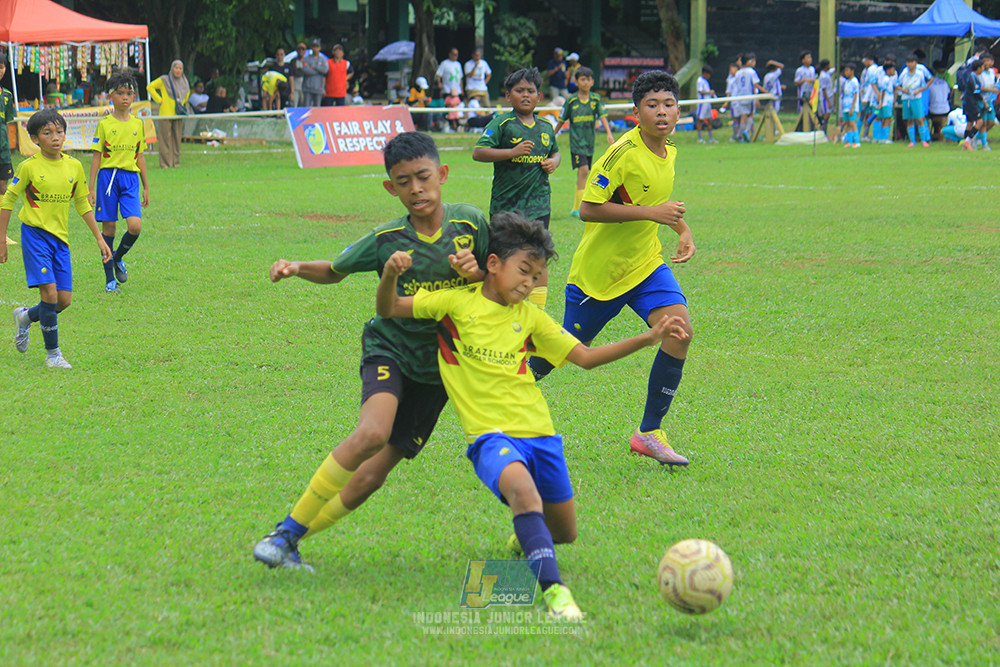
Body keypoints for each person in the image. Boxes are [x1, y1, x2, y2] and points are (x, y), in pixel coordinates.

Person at [376, 211, 689, 619]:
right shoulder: (454, 304)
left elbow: (586, 358)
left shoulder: (531, 318)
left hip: (541, 435)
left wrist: (648, 337)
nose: (529, 283)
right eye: (524, 271)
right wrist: (388, 275)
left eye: (537, 276)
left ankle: (524, 537)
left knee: (565, 531)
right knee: (522, 491)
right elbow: (390, 308)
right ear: (493, 263)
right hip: (490, 437)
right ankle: (555, 593)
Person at [252, 132, 489, 572]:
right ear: (390, 188)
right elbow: (336, 270)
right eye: (403, 182)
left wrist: (477, 275)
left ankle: (288, 539)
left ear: (442, 174)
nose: (416, 188)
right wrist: (297, 267)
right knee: (372, 433)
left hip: (441, 369)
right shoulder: (386, 240)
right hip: (390, 349)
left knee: (370, 477)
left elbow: (502, 282)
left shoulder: (472, 224)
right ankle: (285, 531)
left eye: (423, 177)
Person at [527, 70, 695, 467]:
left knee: (680, 331)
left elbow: (653, 200)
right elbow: (588, 208)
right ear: (636, 112)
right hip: (599, 277)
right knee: (560, 353)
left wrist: (681, 227)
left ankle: (649, 433)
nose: (662, 112)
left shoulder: (670, 150)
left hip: (646, 264)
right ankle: (498, 388)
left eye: (669, 104)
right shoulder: (621, 153)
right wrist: (654, 213)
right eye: (652, 105)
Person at [0, 109, 113, 369]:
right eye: (47, 133)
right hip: (35, 235)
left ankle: (26, 317)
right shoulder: (28, 167)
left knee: (63, 300)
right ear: (35, 139)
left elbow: (82, 203)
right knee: (49, 293)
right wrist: (2, 239)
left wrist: (99, 238)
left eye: (60, 131)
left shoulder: (74, 166)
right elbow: (8, 201)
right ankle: (53, 355)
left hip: (60, 239)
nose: (55, 137)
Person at [472, 67, 559, 307]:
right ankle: (498, 304)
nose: (525, 95)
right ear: (508, 95)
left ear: (539, 96)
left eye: (531, 91)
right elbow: (478, 152)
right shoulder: (502, 123)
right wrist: (511, 152)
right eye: (519, 90)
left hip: (539, 203)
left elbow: (556, 152)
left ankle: (538, 314)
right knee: (505, 256)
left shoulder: (546, 127)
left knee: (538, 255)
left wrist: (554, 162)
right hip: (506, 206)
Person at [88, 70, 149, 293]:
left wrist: (146, 186)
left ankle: (117, 257)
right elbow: (96, 156)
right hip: (108, 179)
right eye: (120, 93)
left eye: (129, 93)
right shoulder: (105, 124)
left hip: (130, 178)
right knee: (110, 228)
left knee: (135, 226)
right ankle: (109, 280)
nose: (125, 97)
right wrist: (91, 187)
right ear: (111, 96)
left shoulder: (138, 124)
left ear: (134, 97)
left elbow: (140, 156)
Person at [559, 66, 613, 217]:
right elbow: (562, 119)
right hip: (576, 142)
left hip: (589, 142)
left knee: (584, 172)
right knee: (583, 171)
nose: (585, 82)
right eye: (582, 79)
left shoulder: (595, 99)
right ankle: (580, 208)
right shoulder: (571, 100)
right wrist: (553, 134)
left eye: (588, 79)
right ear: (576, 82)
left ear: (592, 82)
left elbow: (602, 116)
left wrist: (609, 132)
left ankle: (575, 207)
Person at [146, 60, 190, 168]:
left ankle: (176, 162)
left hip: (178, 114)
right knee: (165, 138)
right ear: (172, 68)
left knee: (177, 138)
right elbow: (150, 87)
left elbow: (187, 93)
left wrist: (182, 103)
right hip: (165, 113)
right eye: (176, 68)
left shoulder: (184, 81)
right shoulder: (164, 80)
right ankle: (165, 163)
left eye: (180, 68)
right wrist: (159, 100)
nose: (178, 70)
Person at [895, 54, 932, 147]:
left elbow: (924, 85)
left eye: (911, 62)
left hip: (916, 98)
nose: (909, 64)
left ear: (915, 63)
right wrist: (904, 91)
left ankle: (924, 140)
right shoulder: (904, 73)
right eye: (908, 62)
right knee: (909, 119)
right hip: (906, 98)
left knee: (919, 119)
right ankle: (912, 141)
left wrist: (918, 90)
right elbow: (897, 85)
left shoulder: (919, 73)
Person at [732, 53, 763, 142]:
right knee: (750, 115)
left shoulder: (738, 72)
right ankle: (745, 131)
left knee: (743, 116)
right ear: (749, 62)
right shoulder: (751, 71)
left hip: (740, 97)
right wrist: (758, 96)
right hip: (749, 97)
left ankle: (741, 136)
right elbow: (755, 85)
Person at [960, 59, 986, 151]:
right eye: (983, 67)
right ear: (978, 68)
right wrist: (984, 102)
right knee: (980, 122)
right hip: (971, 103)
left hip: (967, 102)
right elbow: (976, 92)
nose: (983, 69)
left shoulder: (970, 75)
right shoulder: (973, 76)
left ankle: (965, 145)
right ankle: (968, 141)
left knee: (970, 123)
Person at [0, 60, 16, 195]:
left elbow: (8, 122)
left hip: (3, 148)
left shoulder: (7, 95)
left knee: (3, 186)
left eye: (1, 67)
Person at [927, 60, 952, 140]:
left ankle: (929, 136)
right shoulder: (944, 82)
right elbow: (949, 91)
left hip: (933, 111)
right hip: (945, 109)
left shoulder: (928, 85)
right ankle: (940, 135)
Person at [976, 53, 997, 149]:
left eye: (989, 60)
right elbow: (979, 88)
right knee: (983, 122)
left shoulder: (992, 72)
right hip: (981, 100)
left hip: (990, 100)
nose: (987, 63)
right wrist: (991, 90)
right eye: (985, 61)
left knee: (991, 122)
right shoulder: (980, 73)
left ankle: (975, 137)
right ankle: (985, 144)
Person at [874, 59, 897, 144]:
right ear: (888, 70)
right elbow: (883, 91)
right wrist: (881, 102)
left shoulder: (890, 79)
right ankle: (885, 138)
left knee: (885, 119)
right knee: (887, 119)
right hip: (886, 102)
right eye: (893, 69)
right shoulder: (886, 79)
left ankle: (882, 138)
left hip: (887, 102)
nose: (894, 71)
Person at [300, 40, 329, 107]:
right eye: (314, 46)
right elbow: (305, 70)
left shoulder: (323, 59)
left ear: (320, 48)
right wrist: (319, 71)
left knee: (317, 108)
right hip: (307, 88)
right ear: (311, 48)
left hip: (318, 88)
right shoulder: (306, 59)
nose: (315, 48)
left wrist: (314, 67)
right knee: (306, 107)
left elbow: (325, 70)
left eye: (317, 47)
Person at [839, 63, 861, 148]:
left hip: (852, 107)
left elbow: (855, 95)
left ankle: (857, 141)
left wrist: (852, 108)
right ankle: (850, 141)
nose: (845, 73)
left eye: (847, 71)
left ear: (852, 71)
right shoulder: (847, 82)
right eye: (845, 71)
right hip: (846, 107)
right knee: (847, 124)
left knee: (852, 123)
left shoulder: (855, 81)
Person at [859, 53, 880, 141]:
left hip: (870, 97)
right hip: (865, 96)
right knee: (864, 115)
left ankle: (865, 135)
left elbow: (871, 85)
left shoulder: (873, 69)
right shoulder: (866, 70)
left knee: (871, 114)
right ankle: (859, 134)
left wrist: (866, 98)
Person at [695, 64, 716, 144]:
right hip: (702, 103)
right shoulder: (700, 80)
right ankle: (700, 138)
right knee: (700, 120)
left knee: (710, 120)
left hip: (707, 103)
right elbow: (700, 91)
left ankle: (711, 138)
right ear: (705, 73)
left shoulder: (705, 81)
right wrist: (709, 92)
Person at [816, 59, 834, 131]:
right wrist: (828, 102)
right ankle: (823, 129)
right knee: (826, 114)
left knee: (828, 114)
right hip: (825, 98)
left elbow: (832, 71)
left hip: (829, 96)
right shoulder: (823, 76)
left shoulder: (826, 73)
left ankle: (823, 129)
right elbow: (824, 90)